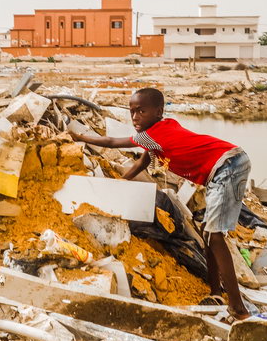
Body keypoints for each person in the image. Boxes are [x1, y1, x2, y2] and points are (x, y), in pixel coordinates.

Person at [69, 87, 252, 320]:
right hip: (228, 162)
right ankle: (216, 291)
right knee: (208, 231)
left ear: (158, 112)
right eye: (132, 111)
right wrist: (118, 184)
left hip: (227, 165)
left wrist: (79, 137)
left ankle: (238, 308)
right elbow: (142, 163)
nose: (135, 117)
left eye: (141, 111)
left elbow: (113, 141)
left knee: (214, 234)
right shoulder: (163, 130)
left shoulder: (152, 135)